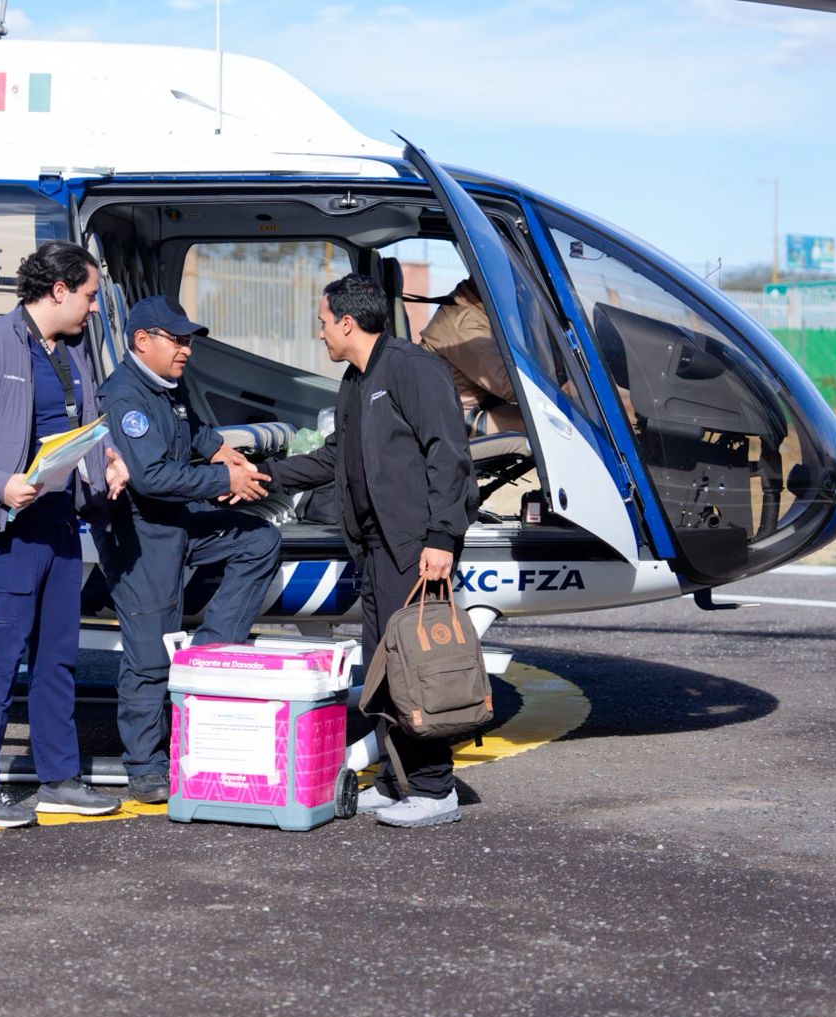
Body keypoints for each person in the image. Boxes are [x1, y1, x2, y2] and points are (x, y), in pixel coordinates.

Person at [262, 273, 475, 828]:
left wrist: (442, 538)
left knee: (416, 667)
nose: (321, 333)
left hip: (415, 547)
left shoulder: (411, 368)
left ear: (347, 322)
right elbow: (336, 457)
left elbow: (449, 455)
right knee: (383, 665)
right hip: (376, 547)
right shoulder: (356, 381)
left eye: (323, 323)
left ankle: (435, 788)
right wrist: (265, 477)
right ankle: (396, 780)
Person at [0, 240, 129, 828]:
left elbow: (83, 428)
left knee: (57, 659)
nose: (93, 308)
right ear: (58, 290)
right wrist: (1, 484)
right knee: (1, 656)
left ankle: (59, 780)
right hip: (5, 528)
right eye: (89, 296)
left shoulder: (73, 351)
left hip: (59, 524)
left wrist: (109, 462)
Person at [93, 295, 282, 804]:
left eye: (188, 340)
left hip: (178, 520)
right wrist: (224, 479)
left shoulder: (167, 386)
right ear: (142, 341)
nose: (187, 350)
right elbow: (152, 478)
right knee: (150, 656)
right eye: (177, 340)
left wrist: (220, 450)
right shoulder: (125, 397)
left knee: (260, 540)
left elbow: (190, 427)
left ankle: (207, 659)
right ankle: (146, 766)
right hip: (142, 535)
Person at [419, 278, 525, 436]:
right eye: (512, 278)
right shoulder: (465, 325)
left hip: (475, 407)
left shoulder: (475, 306)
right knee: (545, 427)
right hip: (452, 423)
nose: (520, 286)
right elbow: (514, 387)